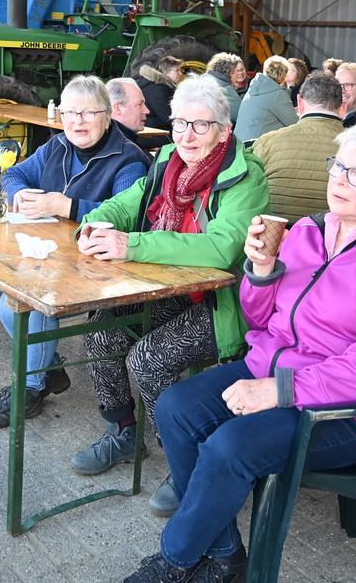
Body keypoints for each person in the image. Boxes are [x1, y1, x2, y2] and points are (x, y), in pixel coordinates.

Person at [121, 122, 356, 583]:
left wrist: (280, 390)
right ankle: (225, 554)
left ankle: (176, 559)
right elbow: (260, 321)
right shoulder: (309, 231)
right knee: (176, 407)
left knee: (230, 448)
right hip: (273, 369)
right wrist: (260, 272)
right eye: (337, 166)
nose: (339, 180)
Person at [72, 75, 269, 519]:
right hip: (166, 287)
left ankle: (185, 462)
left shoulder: (245, 178)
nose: (186, 136)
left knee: (148, 358)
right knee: (102, 329)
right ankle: (124, 432)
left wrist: (132, 245)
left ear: (224, 129)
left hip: (221, 302)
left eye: (200, 125)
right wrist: (95, 223)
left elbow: (221, 250)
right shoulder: (167, 162)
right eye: (179, 123)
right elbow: (129, 203)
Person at [0, 76, 150, 428]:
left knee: (27, 303)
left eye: (88, 113)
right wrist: (19, 193)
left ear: (107, 115)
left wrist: (66, 206)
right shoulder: (56, 146)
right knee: (9, 305)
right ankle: (48, 367)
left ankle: (29, 389)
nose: (77, 122)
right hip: (54, 255)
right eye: (70, 113)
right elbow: (14, 174)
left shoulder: (129, 159)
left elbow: (126, 216)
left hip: (102, 266)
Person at [252, 72, 345, 224]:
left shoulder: (267, 142)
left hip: (274, 234)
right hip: (328, 235)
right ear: (342, 107)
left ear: (299, 102)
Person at [233, 55, 297, 142]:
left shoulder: (254, 88)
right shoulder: (278, 94)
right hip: (256, 146)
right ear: (284, 75)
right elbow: (295, 124)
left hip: (239, 144)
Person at [135, 55, 183, 129]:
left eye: (180, 70)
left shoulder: (157, 85)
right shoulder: (159, 89)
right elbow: (168, 117)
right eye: (177, 70)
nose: (180, 73)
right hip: (154, 130)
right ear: (166, 72)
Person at [106, 77, 151, 146]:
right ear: (118, 108)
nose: (147, 111)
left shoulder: (103, 140)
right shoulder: (125, 149)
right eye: (139, 104)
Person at [204, 52, 244, 124]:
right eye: (236, 72)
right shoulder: (226, 90)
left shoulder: (203, 78)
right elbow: (243, 115)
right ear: (230, 72)